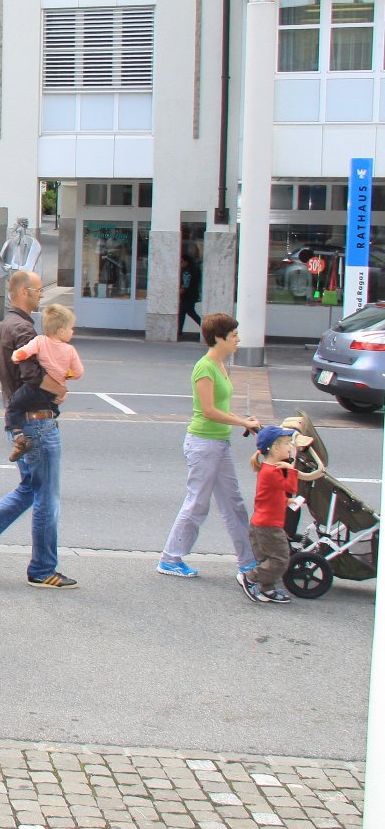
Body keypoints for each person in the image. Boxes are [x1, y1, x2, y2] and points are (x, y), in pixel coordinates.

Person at [0, 270, 77, 589]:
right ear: (23, 292)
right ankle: (42, 569)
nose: (41, 295)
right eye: (38, 290)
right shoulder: (23, 328)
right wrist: (59, 388)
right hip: (37, 421)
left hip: (24, 420)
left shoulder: (11, 324)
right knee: (46, 498)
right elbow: (32, 375)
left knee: (30, 490)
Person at [157, 312, 264, 579]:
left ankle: (248, 560)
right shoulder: (204, 367)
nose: (238, 339)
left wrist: (243, 421)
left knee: (233, 503)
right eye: (234, 335)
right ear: (219, 338)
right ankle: (170, 559)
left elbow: (221, 407)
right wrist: (243, 422)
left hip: (218, 444)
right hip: (204, 444)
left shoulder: (220, 365)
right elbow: (208, 411)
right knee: (197, 503)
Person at [242, 426, 324, 603]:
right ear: (275, 448)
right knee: (280, 560)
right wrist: (291, 468)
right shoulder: (272, 471)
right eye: (287, 444)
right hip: (269, 526)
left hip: (262, 523)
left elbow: (270, 495)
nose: (290, 447)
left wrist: (285, 501)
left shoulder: (268, 469)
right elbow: (291, 487)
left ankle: (267, 589)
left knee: (268, 559)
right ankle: (250, 577)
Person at [6, 303, 83, 461]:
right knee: (53, 406)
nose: (73, 331)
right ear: (61, 331)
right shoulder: (70, 351)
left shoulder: (40, 341)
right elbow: (78, 372)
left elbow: (24, 352)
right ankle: (52, 421)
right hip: (53, 391)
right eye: (71, 328)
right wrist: (67, 375)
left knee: (14, 405)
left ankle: (18, 436)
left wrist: (15, 357)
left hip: (36, 388)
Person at [178, 247, 203, 340]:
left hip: (187, 296)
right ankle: (179, 331)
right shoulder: (195, 270)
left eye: (181, 262)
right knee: (183, 313)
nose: (180, 264)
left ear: (186, 262)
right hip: (192, 295)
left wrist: (178, 293)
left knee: (190, 312)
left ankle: (206, 328)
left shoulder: (187, 272)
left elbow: (185, 285)